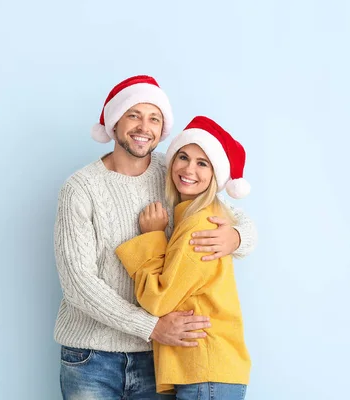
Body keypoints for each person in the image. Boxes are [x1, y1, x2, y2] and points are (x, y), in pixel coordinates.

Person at [54, 75, 256, 399]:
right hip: (91, 357)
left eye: (154, 119)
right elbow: (79, 284)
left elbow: (232, 215)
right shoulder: (80, 189)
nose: (143, 127)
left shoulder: (175, 172)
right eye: (133, 115)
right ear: (114, 122)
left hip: (157, 360)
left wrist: (236, 237)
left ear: (163, 131)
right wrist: (151, 327)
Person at [116, 116, 252, 400]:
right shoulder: (198, 216)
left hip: (205, 371)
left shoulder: (199, 226)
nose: (189, 169)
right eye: (183, 157)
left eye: (203, 163)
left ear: (215, 174)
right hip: (206, 371)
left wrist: (152, 238)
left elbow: (159, 301)